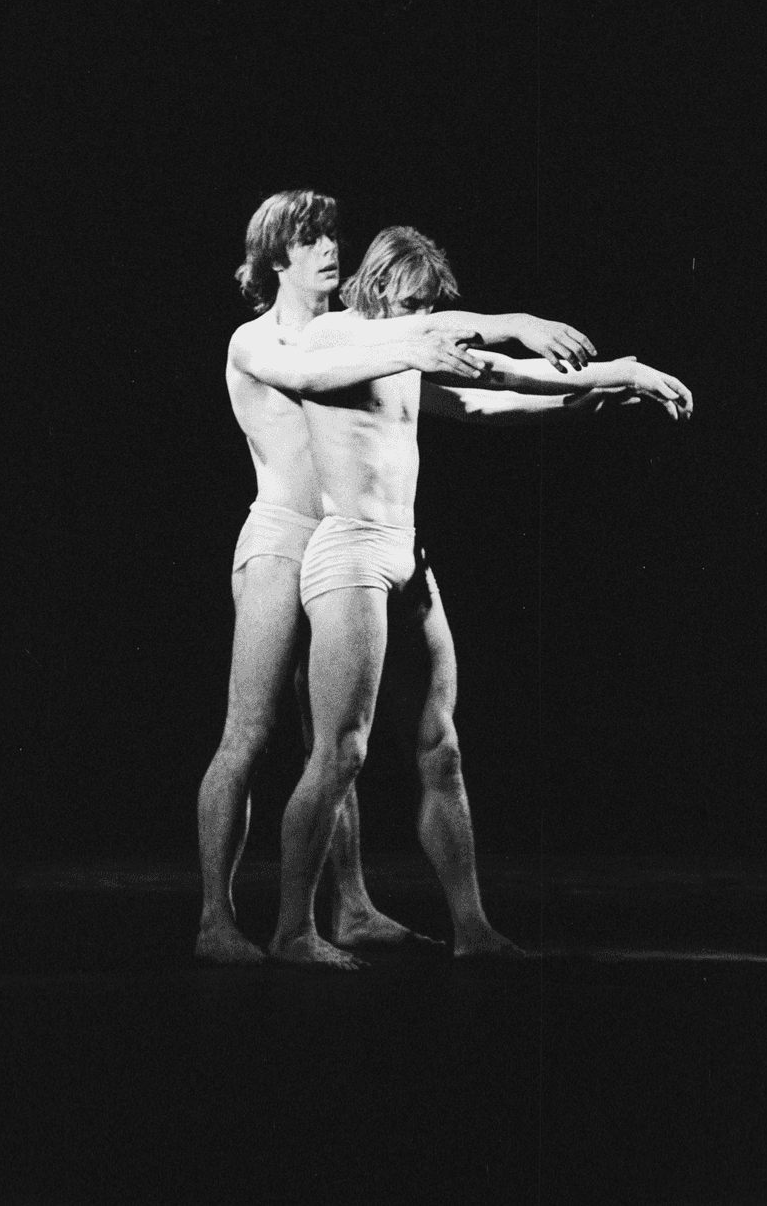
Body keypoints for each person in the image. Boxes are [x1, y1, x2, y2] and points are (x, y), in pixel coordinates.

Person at [269, 225, 693, 968]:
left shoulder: (409, 355)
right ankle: (293, 930)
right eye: (413, 300)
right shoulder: (331, 336)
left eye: (431, 305)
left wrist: (606, 383)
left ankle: (472, 929)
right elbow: (456, 341)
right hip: (349, 555)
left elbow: (487, 394)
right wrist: (517, 324)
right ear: (378, 286)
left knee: (440, 749)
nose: (426, 316)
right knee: (340, 752)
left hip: (406, 558)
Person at [196, 192, 597, 963]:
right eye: (309, 240)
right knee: (251, 733)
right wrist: (497, 326)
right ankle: (218, 920)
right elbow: (330, 368)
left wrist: (599, 376)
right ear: (275, 256)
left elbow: (458, 377)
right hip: (287, 535)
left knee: (337, 738)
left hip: (357, 536)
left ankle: (349, 907)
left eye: (330, 237)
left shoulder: (361, 334)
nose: (328, 250)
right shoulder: (261, 342)